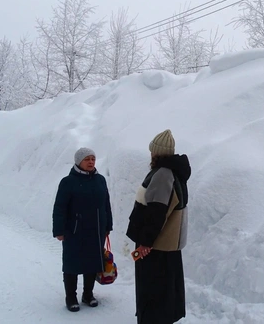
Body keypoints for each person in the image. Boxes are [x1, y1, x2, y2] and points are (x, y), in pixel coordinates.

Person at [127, 129, 191, 324]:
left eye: (152, 151)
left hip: (157, 246)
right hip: (166, 245)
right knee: (165, 292)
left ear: (156, 152)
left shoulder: (163, 174)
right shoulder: (173, 172)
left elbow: (157, 211)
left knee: (153, 292)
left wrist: (146, 242)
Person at [52, 147, 113, 312]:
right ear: (79, 162)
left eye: (93, 159)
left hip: (96, 229)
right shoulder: (68, 182)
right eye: (87, 159)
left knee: (92, 262)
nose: (91, 162)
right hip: (74, 230)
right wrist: (59, 229)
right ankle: (71, 297)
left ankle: (88, 294)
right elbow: (60, 207)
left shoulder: (100, 180)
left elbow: (106, 204)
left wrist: (108, 225)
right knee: (72, 264)